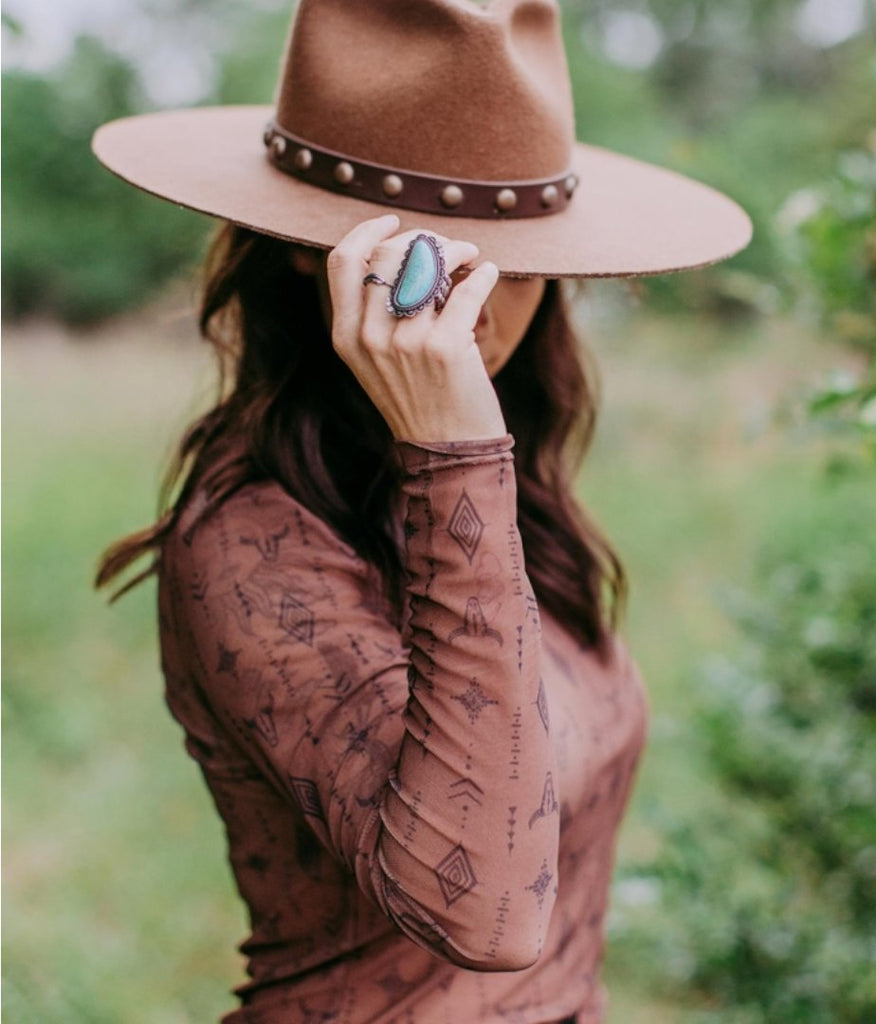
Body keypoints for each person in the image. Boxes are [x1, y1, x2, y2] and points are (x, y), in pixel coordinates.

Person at [92, 0, 751, 1020]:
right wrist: (450, 447)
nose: (481, 302)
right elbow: (487, 913)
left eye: (515, 253)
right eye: (438, 253)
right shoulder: (250, 540)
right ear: (317, 251)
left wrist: (462, 457)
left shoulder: (502, 487)